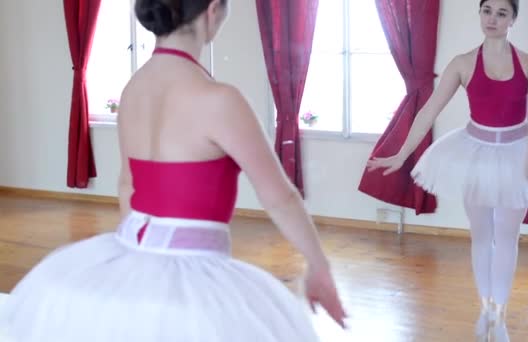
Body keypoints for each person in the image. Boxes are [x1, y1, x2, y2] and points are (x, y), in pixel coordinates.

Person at [0, 0, 346, 341]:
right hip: (192, 263)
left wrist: (139, 266)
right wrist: (320, 266)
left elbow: (127, 185)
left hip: (132, 247)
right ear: (212, 11)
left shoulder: (134, 89)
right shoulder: (220, 99)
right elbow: (280, 198)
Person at [366, 0, 528, 341]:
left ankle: (499, 317)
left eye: (502, 13)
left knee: (507, 236)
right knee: (482, 234)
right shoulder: (463, 63)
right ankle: (486, 309)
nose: (492, 19)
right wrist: (401, 153)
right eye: (487, 11)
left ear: (513, 19)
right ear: (480, 14)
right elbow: (428, 111)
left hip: (516, 152)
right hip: (474, 151)